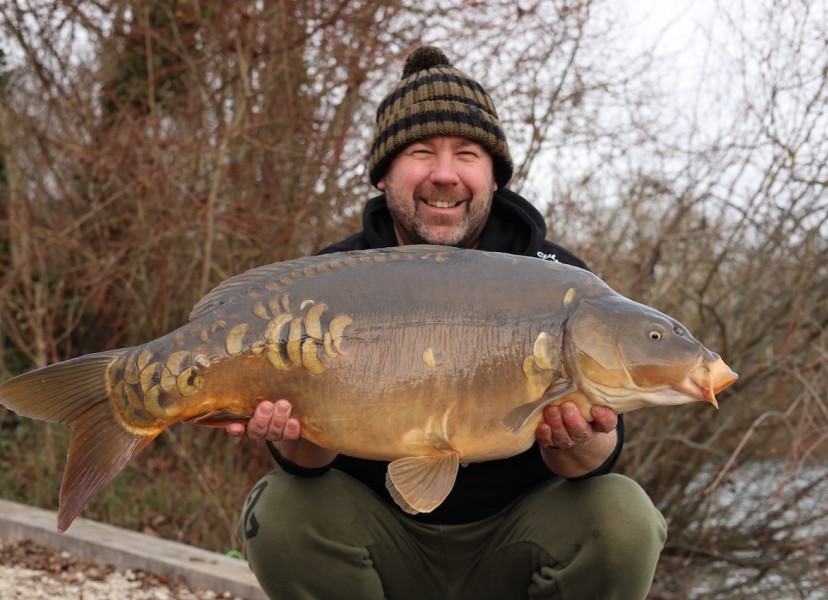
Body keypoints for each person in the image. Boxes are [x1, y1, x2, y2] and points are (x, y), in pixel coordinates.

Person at [228, 46, 667, 600]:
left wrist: (577, 444)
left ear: (493, 175)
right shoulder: (334, 279)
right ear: (385, 173)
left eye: (466, 154)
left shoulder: (559, 281)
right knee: (282, 508)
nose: (444, 174)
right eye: (420, 151)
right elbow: (308, 466)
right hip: (382, 544)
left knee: (624, 516)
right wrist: (292, 432)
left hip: (513, 547)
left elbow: (596, 462)